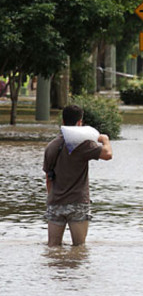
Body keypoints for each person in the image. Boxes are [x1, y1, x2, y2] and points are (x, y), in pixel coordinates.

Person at [43, 105, 112, 247]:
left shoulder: (52, 146)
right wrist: (105, 139)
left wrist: (51, 199)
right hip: (78, 203)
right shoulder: (83, 145)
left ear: (62, 121)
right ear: (80, 123)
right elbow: (108, 154)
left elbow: (48, 178)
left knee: (53, 248)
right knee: (79, 249)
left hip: (56, 202)